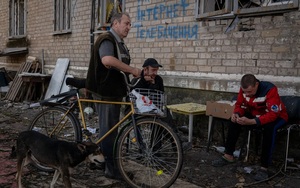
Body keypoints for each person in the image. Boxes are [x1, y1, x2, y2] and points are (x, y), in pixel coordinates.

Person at [86, 12, 141, 180]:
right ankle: (110, 168)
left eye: (130, 24)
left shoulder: (118, 42)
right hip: (106, 94)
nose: (129, 27)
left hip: (114, 92)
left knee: (110, 130)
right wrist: (131, 70)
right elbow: (107, 60)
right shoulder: (107, 39)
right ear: (116, 23)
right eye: (126, 23)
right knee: (109, 132)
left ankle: (103, 161)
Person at [212, 74, 288, 181]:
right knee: (234, 121)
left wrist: (253, 121)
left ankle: (264, 167)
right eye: (245, 92)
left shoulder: (270, 89)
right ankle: (228, 155)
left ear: (256, 84)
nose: (247, 94)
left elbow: (273, 114)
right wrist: (237, 113)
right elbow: (239, 104)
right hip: (256, 114)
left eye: (250, 92)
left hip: (277, 116)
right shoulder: (244, 89)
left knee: (269, 129)